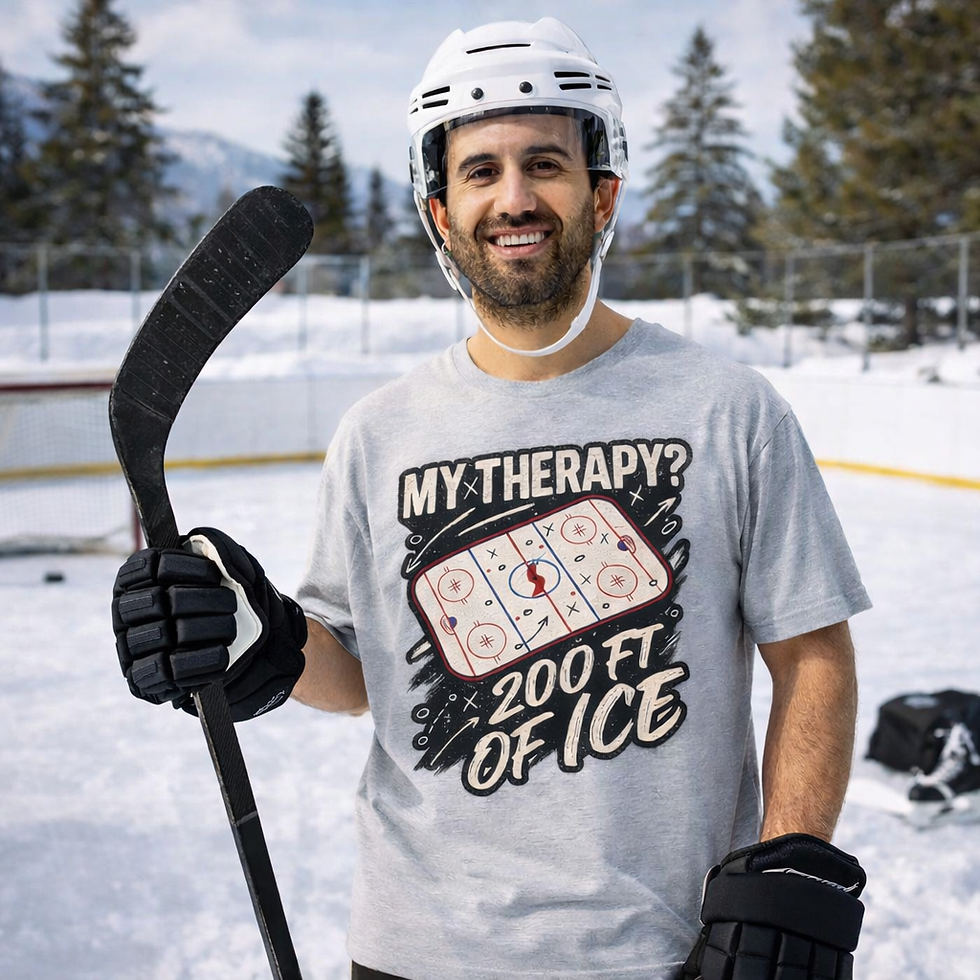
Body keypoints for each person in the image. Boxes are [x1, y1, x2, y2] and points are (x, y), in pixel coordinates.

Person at [112, 18, 872, 980]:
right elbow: (351, 675)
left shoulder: (729, 410)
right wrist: (241, 632)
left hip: (663, 952)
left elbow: (813, 655)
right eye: (480, 172)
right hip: (416, 950)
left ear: (603, 195)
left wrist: (791, 870)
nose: (514, 198)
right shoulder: (378, 433)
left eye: (544, 164)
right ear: (439, 210)